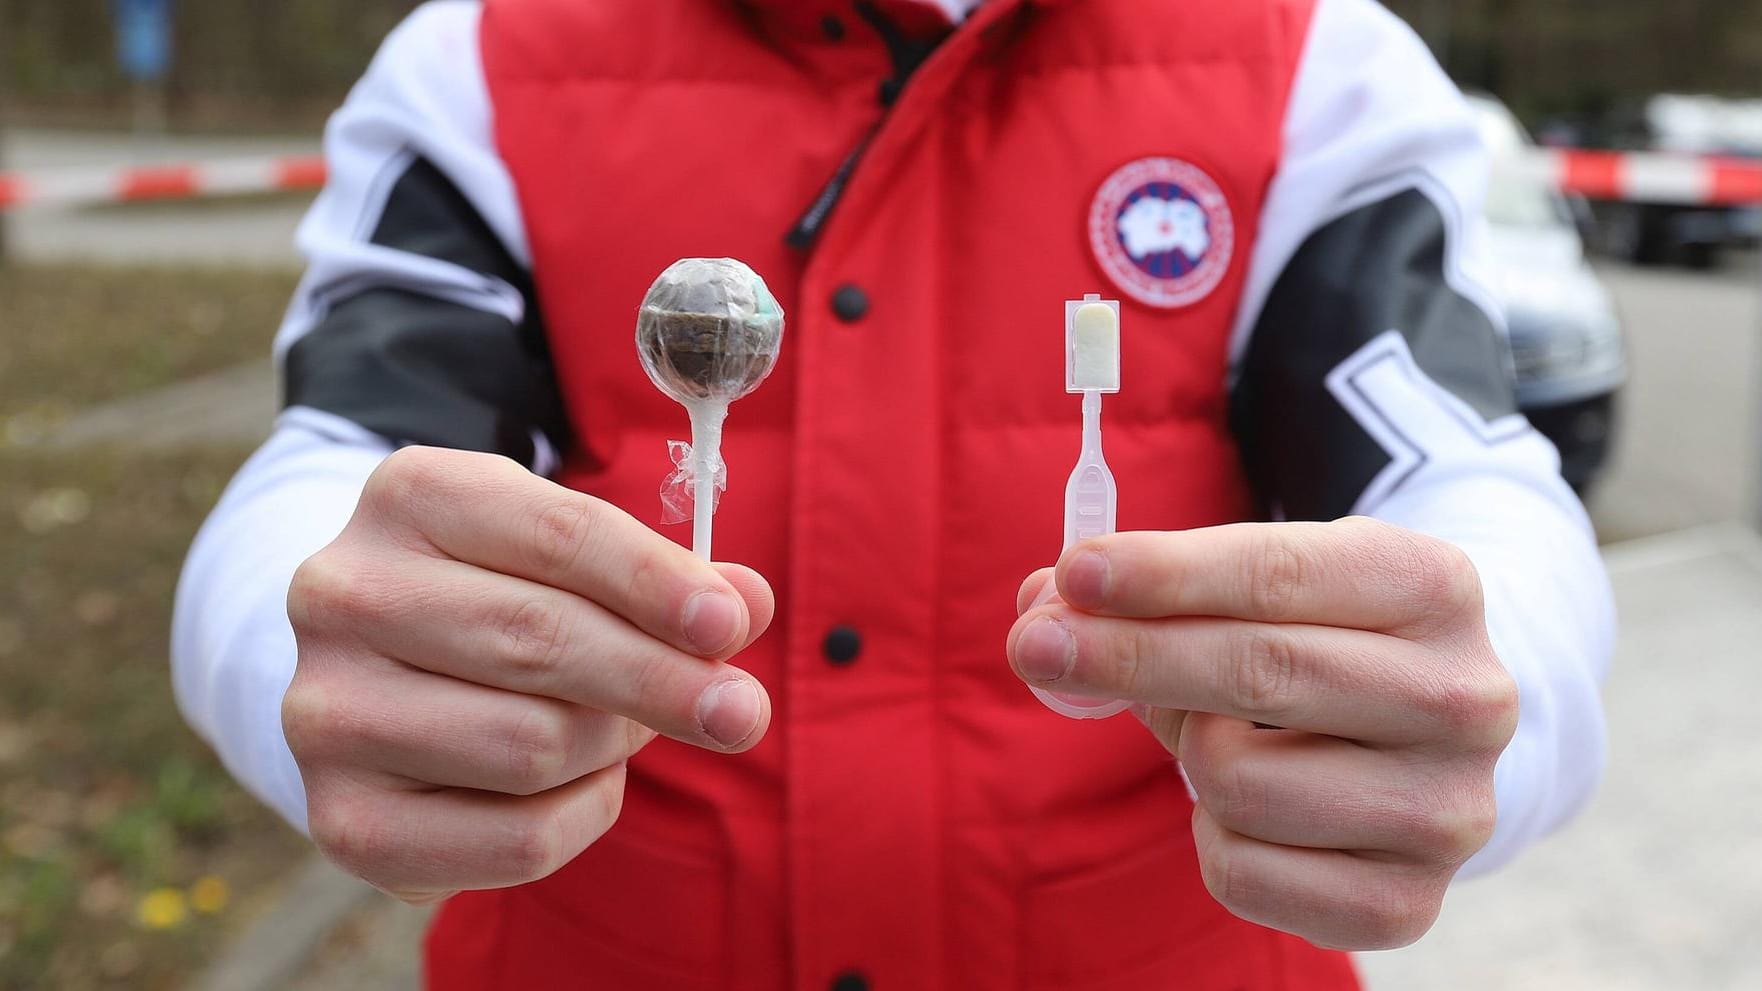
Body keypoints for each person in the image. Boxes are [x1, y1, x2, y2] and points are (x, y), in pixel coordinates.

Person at [171, 0, 1614, 988]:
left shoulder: (1311, 57)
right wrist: (302, 655)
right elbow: (339, 461)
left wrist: (1494, 696)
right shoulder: (482, 55)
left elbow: (1458, 474)